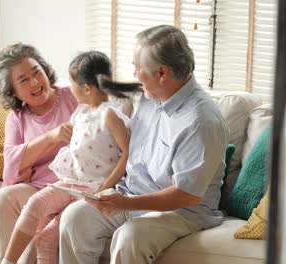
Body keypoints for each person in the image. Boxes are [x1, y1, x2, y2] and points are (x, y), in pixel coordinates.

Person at [59, 25, 230, 264]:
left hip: (180, 212)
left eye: (138, 68)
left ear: (162, 73)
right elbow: (100, 95)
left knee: (129, 238)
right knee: (74, 218)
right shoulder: (149, 96)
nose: (136, 74)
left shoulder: (201, 121)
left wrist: (126, 203)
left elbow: (187, 195)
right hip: (132, 194)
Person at [1, 51, 141, 264]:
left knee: (47, 238)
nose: (67, 88)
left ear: (86, 88)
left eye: (72, 82)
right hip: (69, 182)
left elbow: (127, 152)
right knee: (34, 205)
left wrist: (105, 187)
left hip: (92, 189)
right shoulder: (81, 112)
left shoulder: (110, 115)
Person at [0, 43, 78, 264]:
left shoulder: (73, 97)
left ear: (45, 69)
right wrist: (52, 137)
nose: (35, 82)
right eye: (23, 80)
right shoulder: (17, 118)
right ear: (14, 92)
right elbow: (11, 168)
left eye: (37, 72)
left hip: (73, 190)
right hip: (38, 190)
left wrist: (28, 160)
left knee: (38, 234)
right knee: (4, 197)